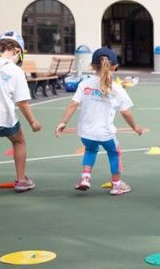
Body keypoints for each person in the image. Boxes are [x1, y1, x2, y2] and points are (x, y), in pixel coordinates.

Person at [55, 47, 143, 195]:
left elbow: (73, 104)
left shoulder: (84, 84)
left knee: (90, 149)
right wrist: (135, 127)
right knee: (114, 153)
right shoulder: (116, 88)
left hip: (86, 132)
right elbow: (126, 112)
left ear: (92, 66)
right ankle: (116, 185)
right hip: (106, 133)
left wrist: (63, 122)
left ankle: (85, 178)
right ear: (114, 66)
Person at [0, 30, 41, 197]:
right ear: (16, 51)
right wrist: (33, 122)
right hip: (3, 117)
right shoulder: (15, 70)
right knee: (19, 141)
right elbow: (22, 102)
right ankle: (21, 180)